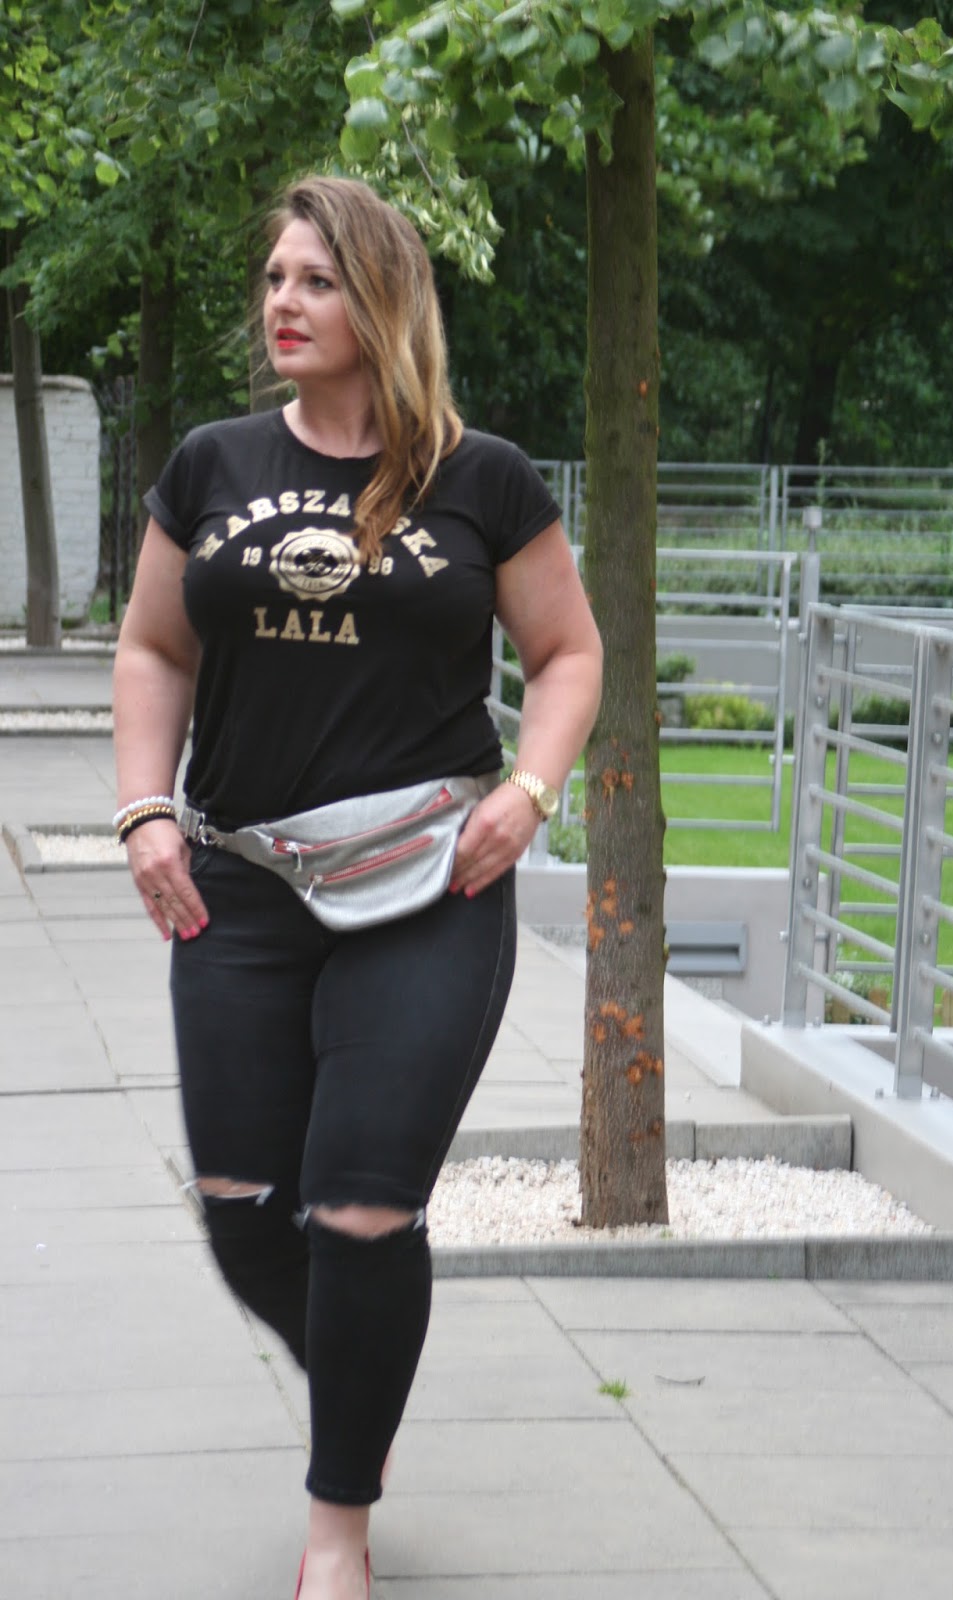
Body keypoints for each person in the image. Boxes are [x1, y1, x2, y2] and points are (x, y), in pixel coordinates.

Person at [112, 174, 602, 1600]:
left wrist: (529, 792)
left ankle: (339, 1529)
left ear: (380, 299)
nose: (284, 301)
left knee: (363, 1207)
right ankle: (364, 1378)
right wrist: (144, 812)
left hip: (430, 882)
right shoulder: (209, 463)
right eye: (275, 278)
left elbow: (569, 654)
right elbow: (152, 649)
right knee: (240, 1209)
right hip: (238, 884)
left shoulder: (480, 478)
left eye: (316, 280)